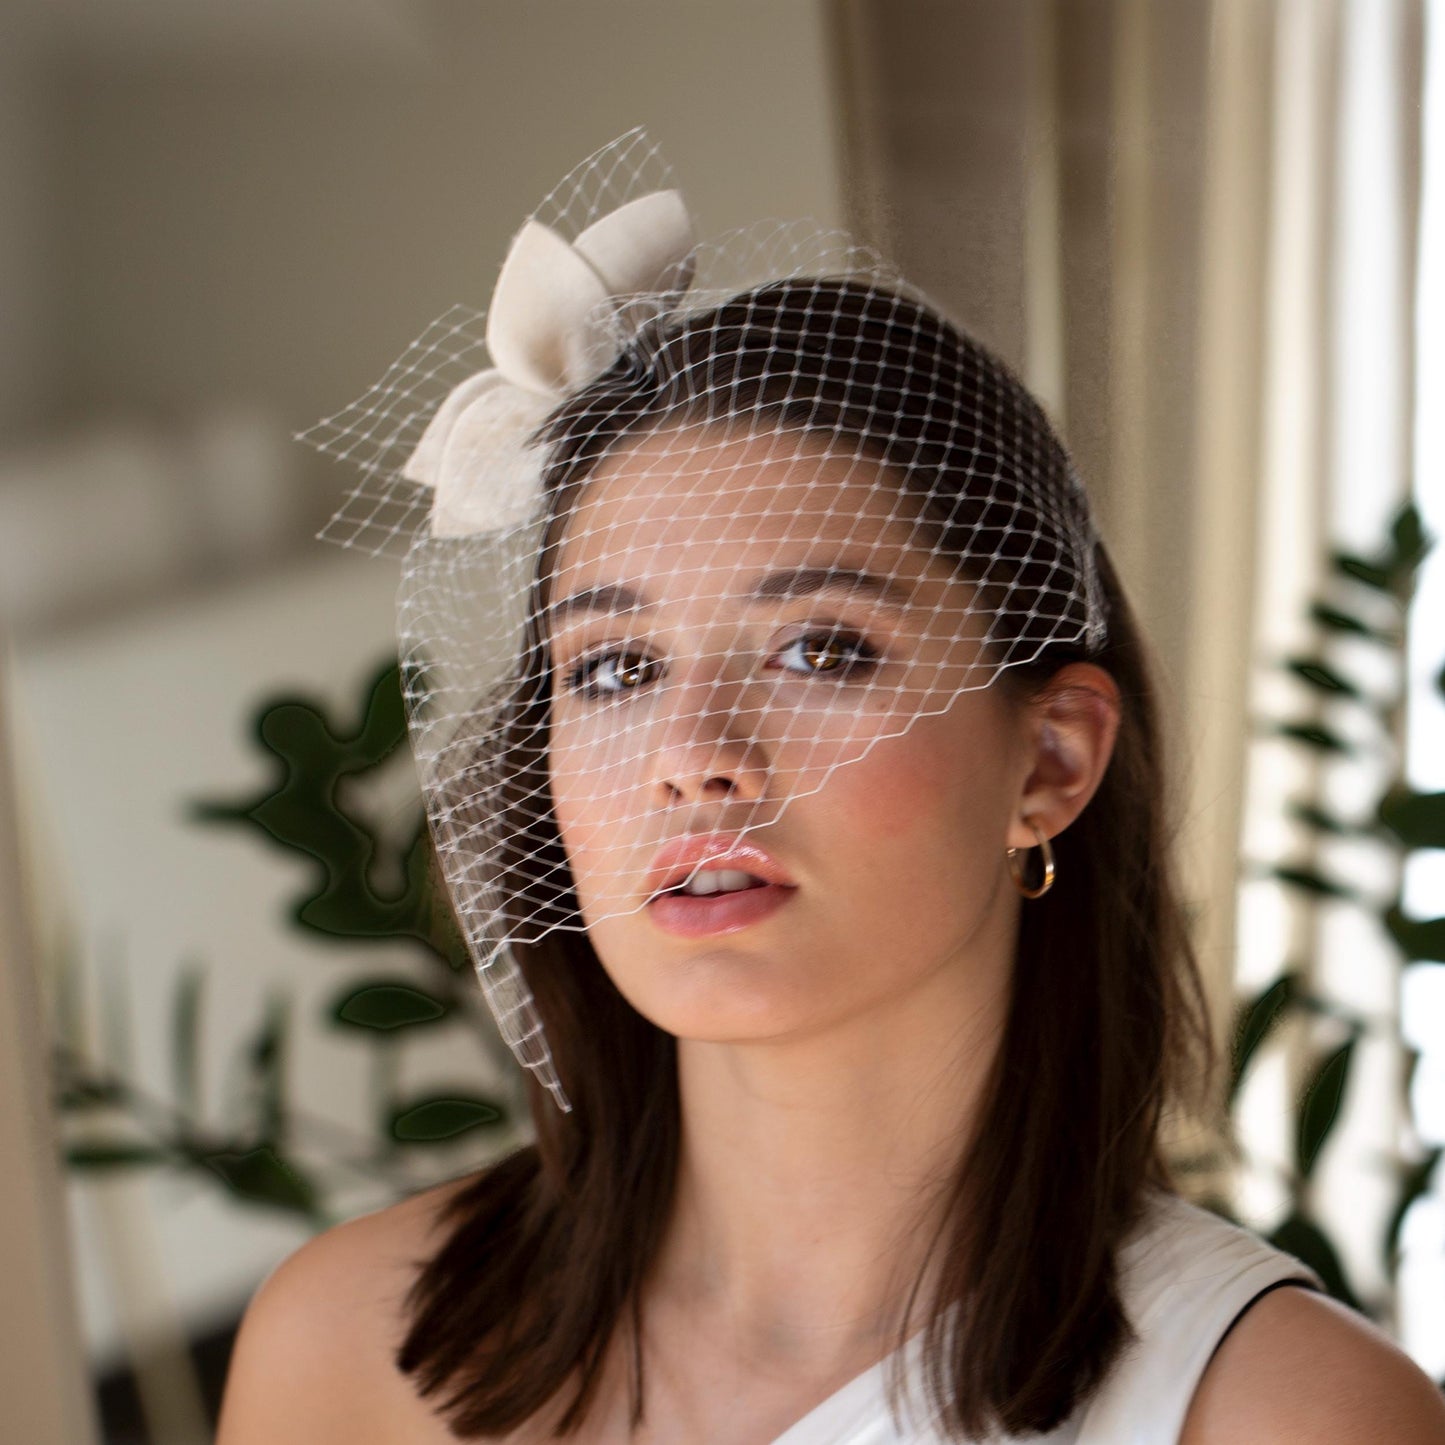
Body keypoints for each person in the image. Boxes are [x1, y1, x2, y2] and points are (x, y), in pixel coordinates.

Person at [216, 136, 1445, 1443]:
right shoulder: (351, 1347)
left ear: (1050, 761)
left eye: (819, 647)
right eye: (617, 665)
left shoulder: (1284, 1414)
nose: (694, 752)